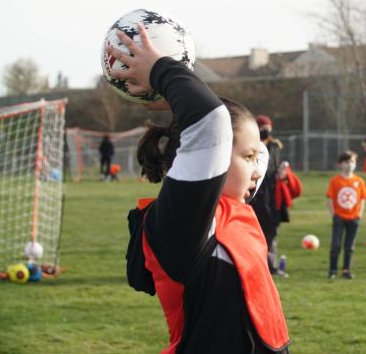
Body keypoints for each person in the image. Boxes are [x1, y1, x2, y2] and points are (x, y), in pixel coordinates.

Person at [108, 24, 290, 354]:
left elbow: (248, 145)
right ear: (213, 157)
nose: (257, 167)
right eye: (247, 157)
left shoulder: (235, 203)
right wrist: (160, 69)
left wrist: (170, 103)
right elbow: (211, 121)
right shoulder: (183, 223)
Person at [251, 114, 287, 276]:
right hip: (256, 194)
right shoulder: (252, 146)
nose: (265, 131)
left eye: (267, 127)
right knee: (255, 231)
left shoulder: (274, 146)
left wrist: (281, 173)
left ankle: (271, 266)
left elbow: (275, 167)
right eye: (262, 127)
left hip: (272, 195)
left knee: (272, 232)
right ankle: (256, 266)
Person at [326, 150, 366, 279]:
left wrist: (360, 214)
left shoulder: (359, 181)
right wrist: (334, 214)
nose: (349, 165)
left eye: (352, 162)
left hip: (354, 217)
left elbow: (362, 198)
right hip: (339, 217)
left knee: (349, 246)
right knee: (336, 245)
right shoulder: (335, 181)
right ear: (340, 165)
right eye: (346, 162)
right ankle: (332, 270)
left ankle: (346, 270)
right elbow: (330, 198)